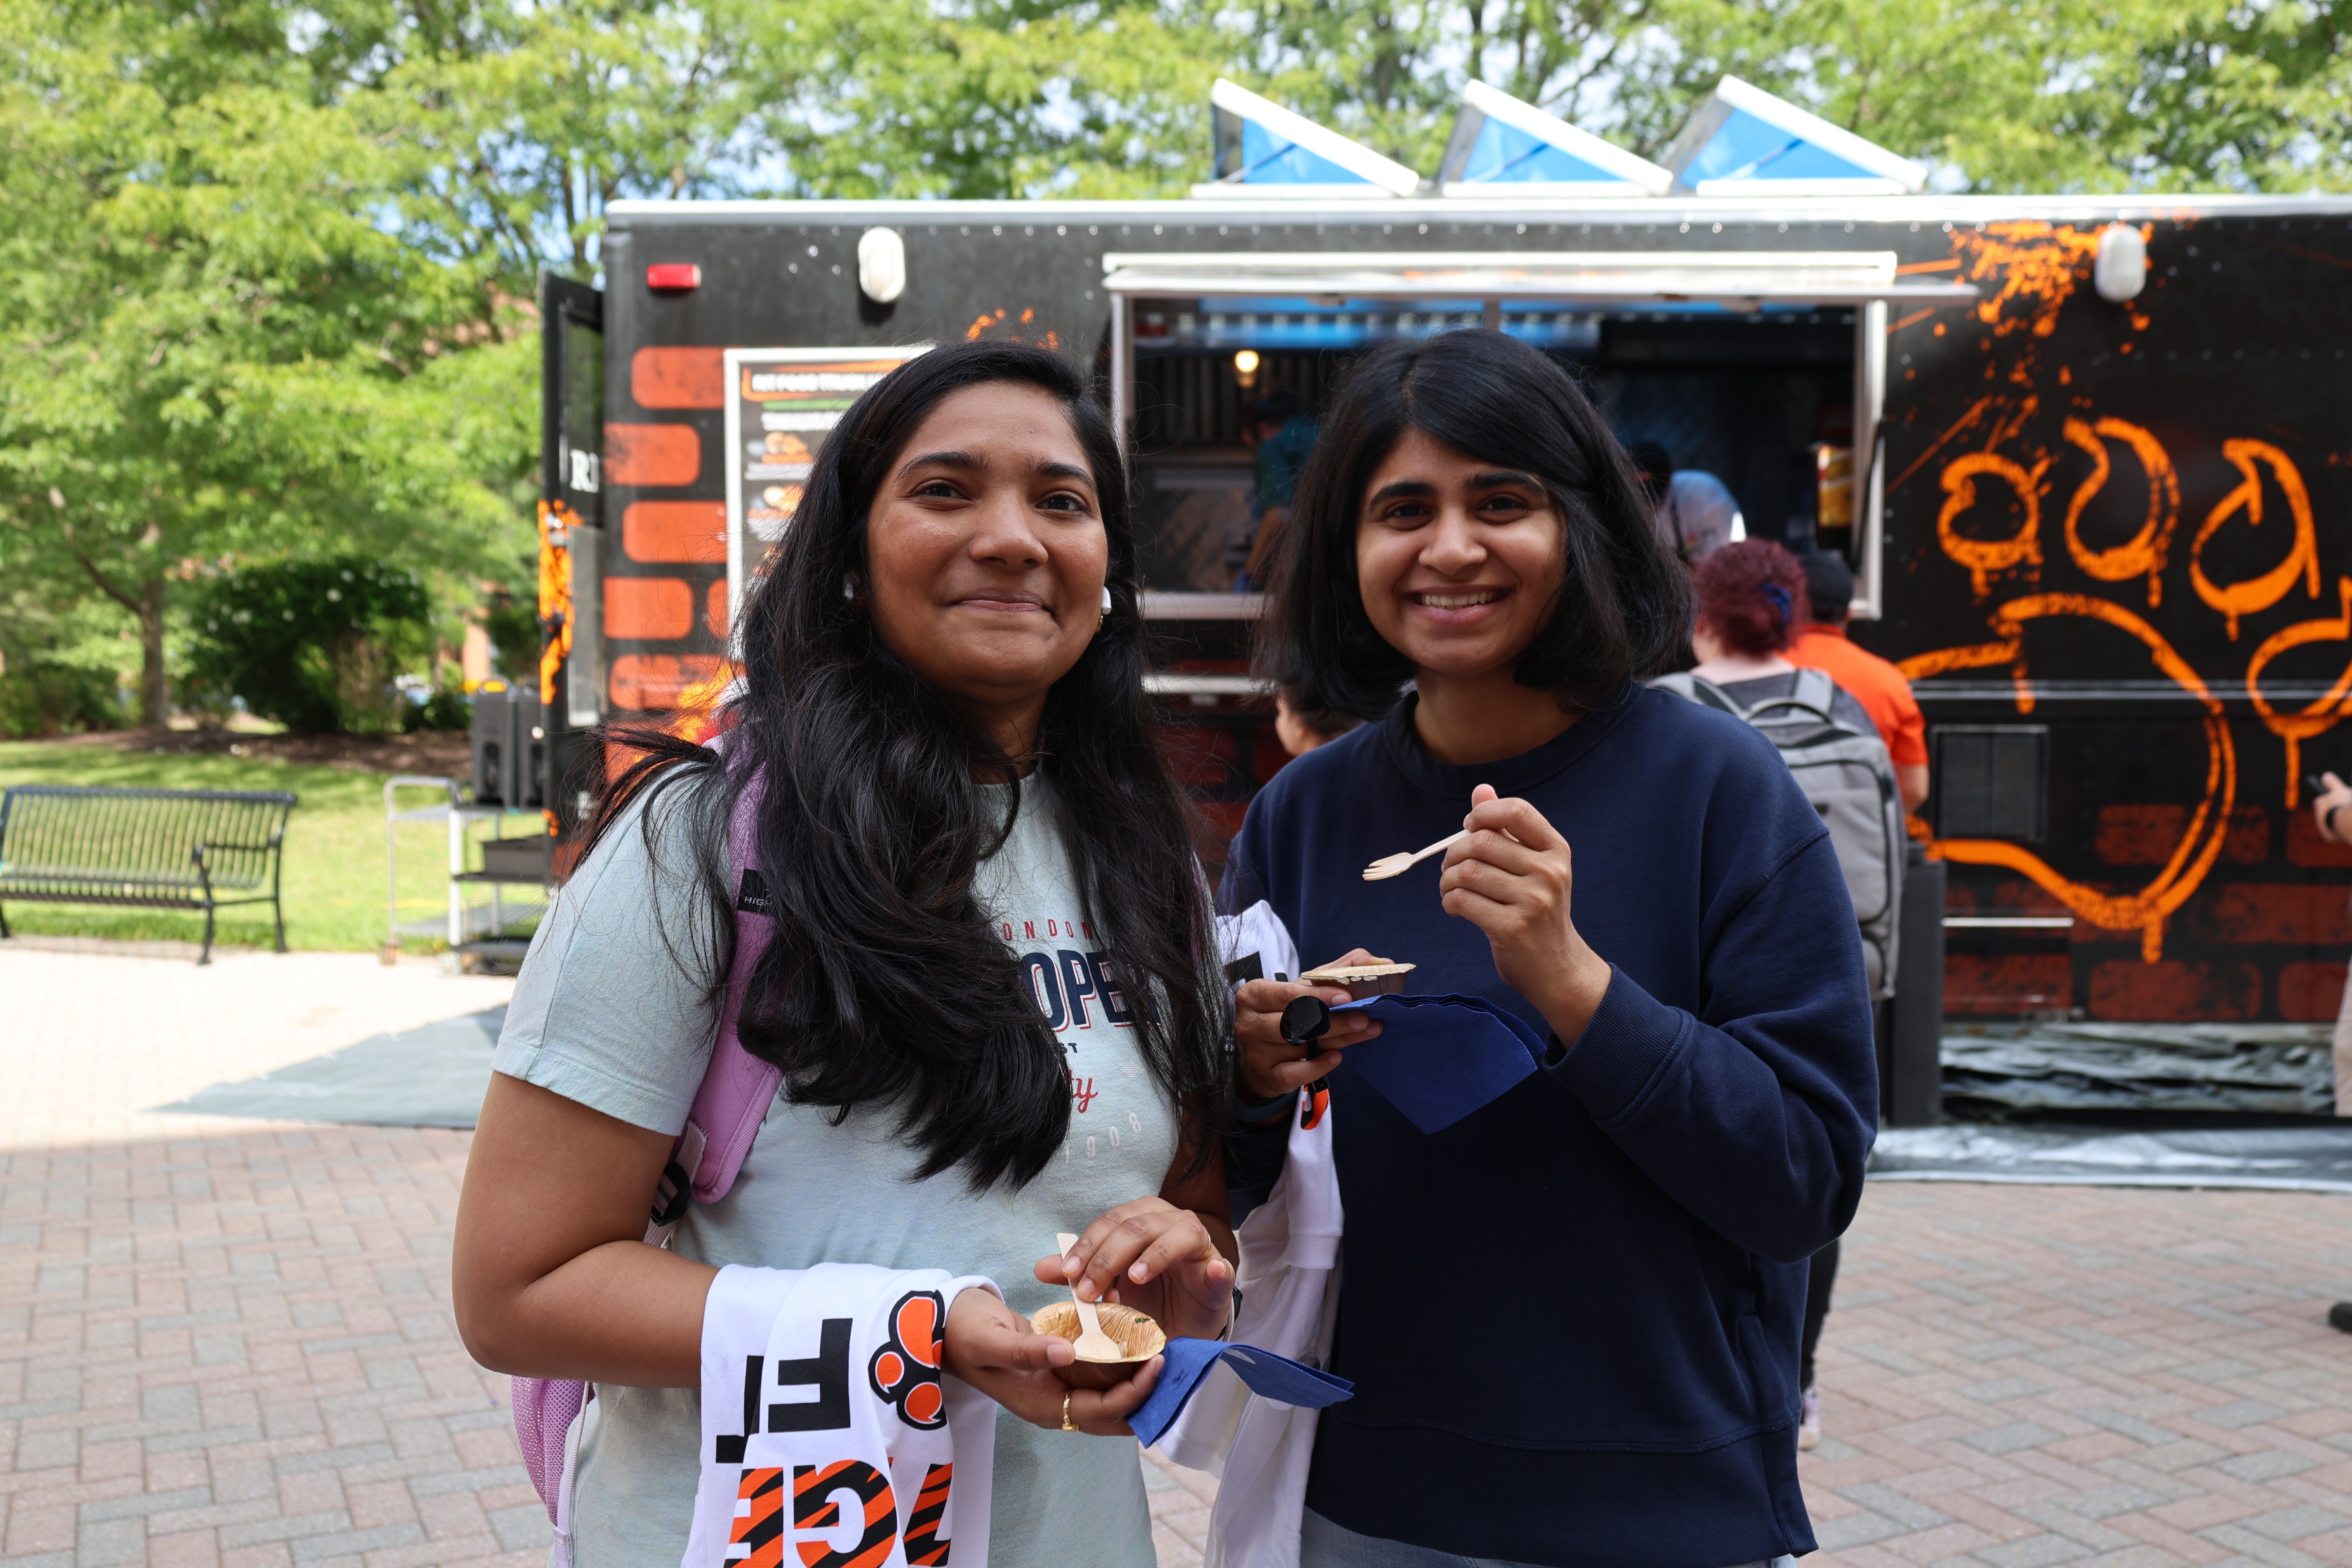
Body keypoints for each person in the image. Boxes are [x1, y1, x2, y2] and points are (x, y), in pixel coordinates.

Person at [450, 341, 1240, 1568]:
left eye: (1061, 501)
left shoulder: (1143, 858)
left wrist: (1180, 1270)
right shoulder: (699, 842)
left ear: (1104, 574)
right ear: (853, 557)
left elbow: (1185, 1203)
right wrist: (913, 1332)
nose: (1011, 536)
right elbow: (519, 1288)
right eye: (943, 490)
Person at [1230, 329, 1878, 1566]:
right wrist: (1250, 1084)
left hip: (1655, 1497)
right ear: (1346, 550)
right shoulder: (1303, 815)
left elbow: (1804, 1179)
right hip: (1361, 1491)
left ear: (1578, 525)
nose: (1451, 547)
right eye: (1401, 509)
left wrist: (1573, 984)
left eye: (1501, 501)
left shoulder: (1717, 790)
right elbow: (1231, 1182)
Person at [1788, 550, 1931, 811]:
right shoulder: (1889, 681)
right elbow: (1914, 788)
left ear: (1790, 607)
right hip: (1859, 841)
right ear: (1848, 615)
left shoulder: (1758, 672)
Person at [1240, 388, 1319, 587]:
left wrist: (1250, 576)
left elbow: (1280, 516)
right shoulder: (1324, 433)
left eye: (1252, 447)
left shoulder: (1273, 446)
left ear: (1263, 430)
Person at [1273, 684, 1361, 757]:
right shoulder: (1361, 757)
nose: (1279, 722)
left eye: (1280, 712)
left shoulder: (1301, 777)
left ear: (1299, 724)